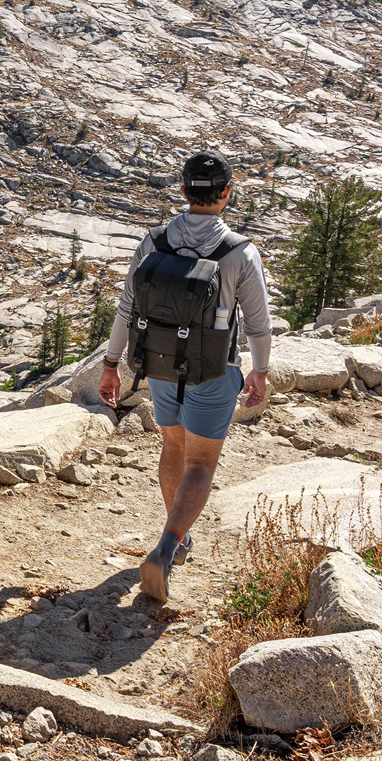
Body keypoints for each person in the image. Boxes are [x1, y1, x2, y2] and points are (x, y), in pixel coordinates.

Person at [98, 150, 272, 603]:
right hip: (213, 371)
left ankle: (178, 541)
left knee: (172, 445)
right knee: (201, 462)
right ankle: (168, 544)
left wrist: (112, 365)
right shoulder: (239, 252)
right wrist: (261, 371)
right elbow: (257, 324)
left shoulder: (154, 241)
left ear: (182, 189)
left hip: (159, 365)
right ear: (227, 193)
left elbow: (127, 307)